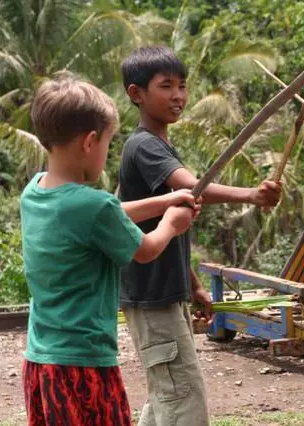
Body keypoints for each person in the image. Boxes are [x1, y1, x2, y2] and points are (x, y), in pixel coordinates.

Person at [20, 76, 201, 425]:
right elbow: (145, 249)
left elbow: (100, 218)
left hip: (40, 361)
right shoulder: (95, 206)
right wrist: (172, 223)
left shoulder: (35, 192)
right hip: (84, 363)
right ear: (91, 142)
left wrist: (163, 200)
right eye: (107, 142)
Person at [118, 45, 282, 426]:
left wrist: (192, 286)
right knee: (183, 401)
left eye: (182, 86)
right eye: (166, 86)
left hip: (162, 294)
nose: (178, 95)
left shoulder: (159, 145)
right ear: (136, 94)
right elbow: (192, 190)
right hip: (152, 296)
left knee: (167, 397)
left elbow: (170, 229)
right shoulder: (144, 145)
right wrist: (252, 196)